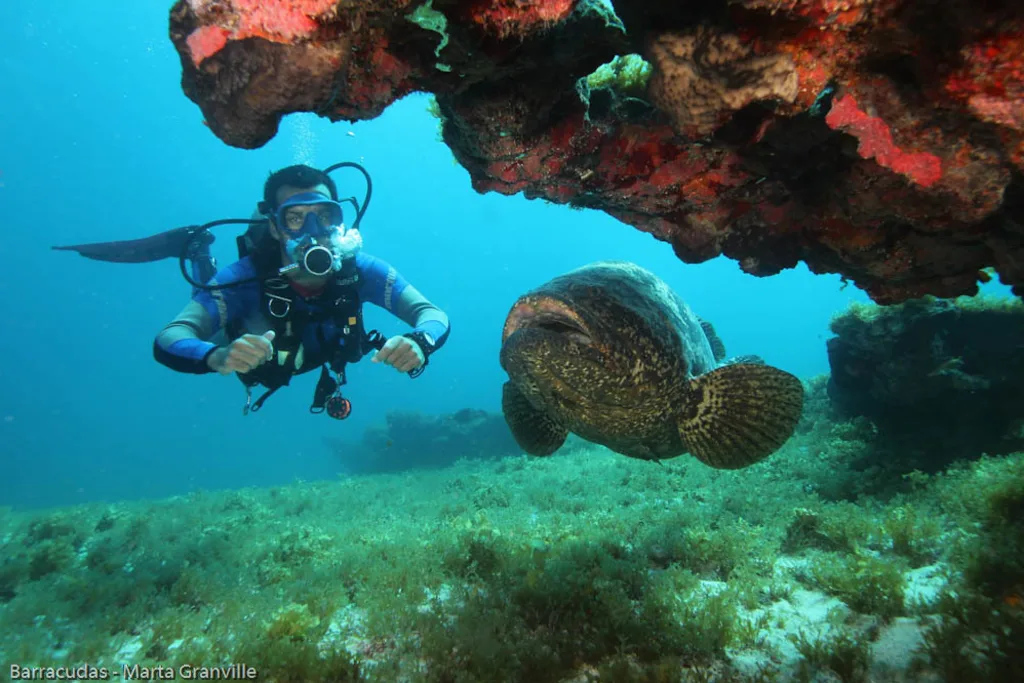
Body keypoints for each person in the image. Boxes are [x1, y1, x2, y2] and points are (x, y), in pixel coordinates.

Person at [152, 164, 450, 417]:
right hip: (237, 344)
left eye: (324, 216)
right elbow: (170, 337)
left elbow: (431, 314)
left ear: (339, 221)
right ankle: (199, 254)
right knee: (205, 309)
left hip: (306, 356)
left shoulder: (359, 269)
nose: (313, 231)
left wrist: (420, 341)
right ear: (274, 227)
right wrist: (217, 357)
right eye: (294, 218)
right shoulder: (245, 279)